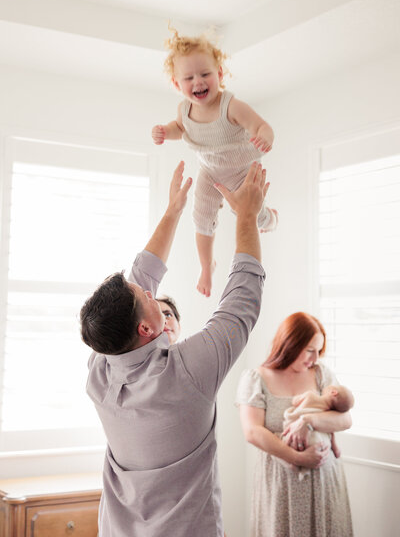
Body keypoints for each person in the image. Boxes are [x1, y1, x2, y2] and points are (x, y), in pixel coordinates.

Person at [80, 160, 269, 537]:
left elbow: (141, 276)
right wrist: (246, 216)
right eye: (145, 297)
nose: (150, 290)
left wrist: (173, 211)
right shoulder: (187, 374)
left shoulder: (100, 370)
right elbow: (241, 302)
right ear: (148, 328)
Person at [152, 27, 278, 297]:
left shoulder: (230, 106)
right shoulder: (183, 111)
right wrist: (165, 131)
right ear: (177, 84)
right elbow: (179, 127)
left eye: (205, 74)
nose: (198, 81)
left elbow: (261, 125)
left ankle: (271, 219)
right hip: (210, 171)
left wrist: (264, 136)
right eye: (189, 77)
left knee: (252, 216)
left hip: (242, 170)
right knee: (201, 217)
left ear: (220, 74)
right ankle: (206, 266)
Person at [236, 312, 353, 537]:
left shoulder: (321, 375)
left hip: (323, 480)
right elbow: (252, 431)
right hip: (280, 482)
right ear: (290, 343)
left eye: (319, 351)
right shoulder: (255, 378)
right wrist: (298, 458)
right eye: (310, 350)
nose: (315, 358)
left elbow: (345, 419)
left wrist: (307, 420)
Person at [282, 383, 354, 480]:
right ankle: (303, 469)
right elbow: (331, 433)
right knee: (327, 432)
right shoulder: (327, 413)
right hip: (317, 441)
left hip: (296, 434)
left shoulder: (311, 395)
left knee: (284, 439)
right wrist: (335, 448)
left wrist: (298, 397)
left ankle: (294, 465)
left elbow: (295, 401)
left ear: (333, 392)